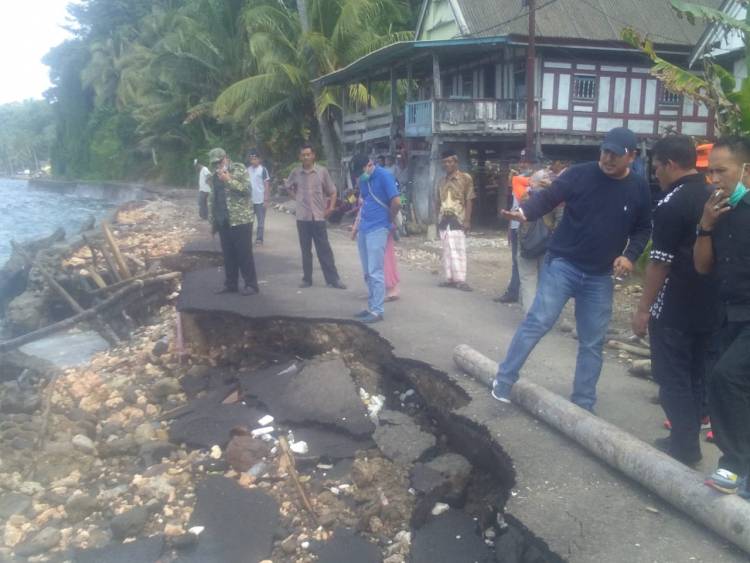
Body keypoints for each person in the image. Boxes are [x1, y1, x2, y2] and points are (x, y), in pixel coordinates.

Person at [493, 127, 652, 412]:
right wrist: (525, 212)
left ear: (632, 156)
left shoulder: (638, 187)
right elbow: (550, 197)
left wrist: (630, 255)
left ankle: (583, 403)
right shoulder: (580, 174)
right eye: (605, 151)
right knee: (538, 322)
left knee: (592, 341)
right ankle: (503, 380)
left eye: (616, 154)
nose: (608, 158)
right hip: (564, 264)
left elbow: (642, 229)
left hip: (600, 275)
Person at [631, 135, 719, 466]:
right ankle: (686, 439)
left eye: (656, 167)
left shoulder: (672, 204)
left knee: (672, 377)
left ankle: (684, 447)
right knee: (696, 374)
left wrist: (643, 309)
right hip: (711, 305)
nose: (655, 174)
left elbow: (660, 262)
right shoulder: (714, 196)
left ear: (669, 164)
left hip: (675, 306)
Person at [693, 137, 750, 497]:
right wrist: (705, 225)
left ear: (746, 170)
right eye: (710, 171)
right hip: (729, 314)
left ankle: (733, 463)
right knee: (736, 385)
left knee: (724, 377)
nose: (714, 178)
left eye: (721, 171)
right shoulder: (717, 211)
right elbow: (702, 266)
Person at [286, 144, 347, 289]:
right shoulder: (296, 173)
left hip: (319, 217)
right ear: (300, 157)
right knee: (305, 250)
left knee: (324, 249)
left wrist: (331, 208)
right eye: (303, 155)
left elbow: (332, 191)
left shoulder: (322, 172)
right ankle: (307, 279)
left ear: (313, 155)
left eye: (308, 154)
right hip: (303, 218)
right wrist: (297, 198)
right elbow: (288, 186)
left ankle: (333, 279)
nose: (306, 157)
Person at [349, 154, 401, 324]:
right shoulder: (364, 180)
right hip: (365, 227)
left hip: (379, 227)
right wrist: (357, 227)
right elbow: (366, 202)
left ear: (369, 164)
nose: (359, 177)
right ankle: (371, 306)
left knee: (375, 270)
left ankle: (377, 311)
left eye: (361, 172)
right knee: (367, 271)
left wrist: (389, 221)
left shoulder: (385, 175)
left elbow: (397, 202)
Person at [207, 148, 259, 296]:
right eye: (214, 163)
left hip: (240, 219)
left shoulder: (239, 169)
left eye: (219, 161)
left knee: (244, 254)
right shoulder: (213, 176)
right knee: (228, 255)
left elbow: (247, 190)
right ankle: (231, 284)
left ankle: (251, 285)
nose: (217, 165)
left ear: (226, 157)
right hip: (223, 220)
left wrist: (228, 180)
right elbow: (213, 199)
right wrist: (213, 222)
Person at [517, 168, 563, 313]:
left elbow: (519, 219)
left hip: (527, 243)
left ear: (533, 182)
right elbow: (561, 220)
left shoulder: (525, 196)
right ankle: (543, 314)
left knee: (528, 279)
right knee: (546, 281)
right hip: (547, 244)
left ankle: (529, 315)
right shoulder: (557, 200)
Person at [437, 149, 476, 292]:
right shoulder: (441, 181)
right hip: (443, 219)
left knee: (459, 250)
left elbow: (469, 199)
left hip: (458, 219)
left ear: (456, 162)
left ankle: (460, 280)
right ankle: (450, 278)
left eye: (450, 161)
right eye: (445, 162)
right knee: (446, 250)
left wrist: (467, 220)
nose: (447, 164)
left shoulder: (465, 178)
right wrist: (436, 220)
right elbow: (438, 202)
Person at [495, 166, 530, 303]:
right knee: (517, 261)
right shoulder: (520, 181)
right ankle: (515, 292)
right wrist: (510, 228)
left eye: (525, 162)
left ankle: (517, 293)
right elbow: (514, 206)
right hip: (516, 226)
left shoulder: (530, 181)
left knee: (524, 262)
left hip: (525, 227)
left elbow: (525, 203)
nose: (522, 165)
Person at [246, 149, 270, 245]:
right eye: (251, 159)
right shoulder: (247, 170)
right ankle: (247, 239)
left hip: (260, 200)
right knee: (248, 221)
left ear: (259, 159)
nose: (253, 161)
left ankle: (259, 239)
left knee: (260, 222)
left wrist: (266, 199)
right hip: (250, 201)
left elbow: (267, 184)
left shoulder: (263, 170)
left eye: (255, 158)